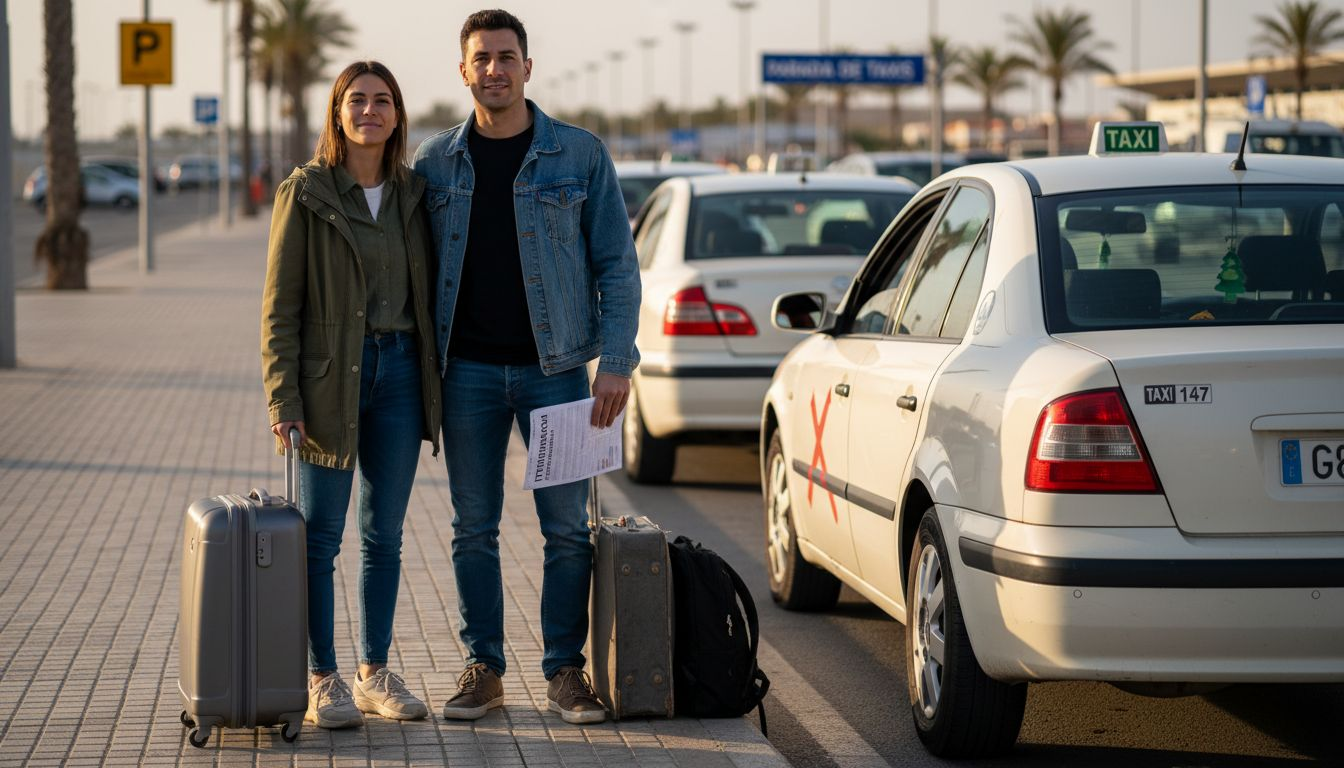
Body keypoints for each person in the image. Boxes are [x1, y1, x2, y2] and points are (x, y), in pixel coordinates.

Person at [413, 9, 640, 726]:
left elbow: (618, 266)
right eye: (482, 58)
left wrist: (617, 361)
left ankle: (565, 671)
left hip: (561, 372)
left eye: (507, 56)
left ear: (527, 67)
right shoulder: (433, 163)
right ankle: (484, 667)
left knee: (567, 530)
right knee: (472, 528)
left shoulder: (578, 155)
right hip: (469, 375)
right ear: (463, 71)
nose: (495, 69)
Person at [261, 60, 441, 729]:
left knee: (383, 535)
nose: (370, 110)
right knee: (320, 540)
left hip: (398, 374)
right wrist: (285, 400)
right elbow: (279, 309)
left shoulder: (413, 194)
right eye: (357, 100)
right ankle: (321, 677)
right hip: (328, 381)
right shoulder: (304, 193)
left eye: (383, 100)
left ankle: (374, 672)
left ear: (397, 115)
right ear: (336, 113)